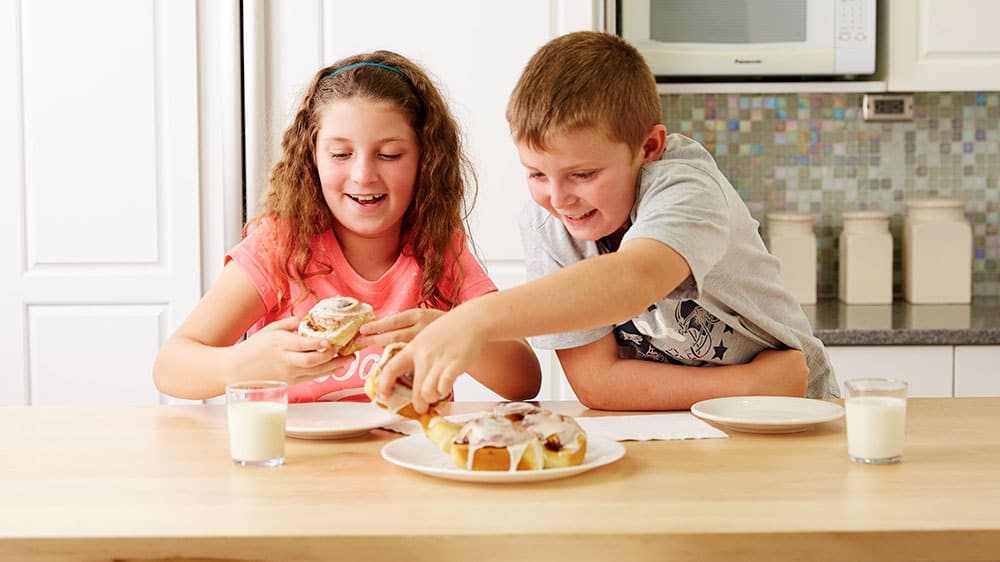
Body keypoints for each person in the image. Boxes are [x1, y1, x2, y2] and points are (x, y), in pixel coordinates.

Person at [377, 31, 837, 413]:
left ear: (649, 148)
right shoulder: (548, 222)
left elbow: (633, 279)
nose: (559, 199)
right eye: (536, 173)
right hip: (685, 420)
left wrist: (473, 320)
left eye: (583, 174)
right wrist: (750, 385)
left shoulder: (686, 187)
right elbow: (598, 385)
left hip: (796, 413)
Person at [153, 51, 541, 403]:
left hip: (404, 467)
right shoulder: (279, 246)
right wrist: (242, 364)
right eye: (340, 154)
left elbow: (524, 379)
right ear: (313, 158)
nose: (363, 175)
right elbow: (170, 367)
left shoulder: (436, 249)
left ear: (426, 159)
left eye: (389, 154)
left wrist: (452, 332)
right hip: (292, 471)